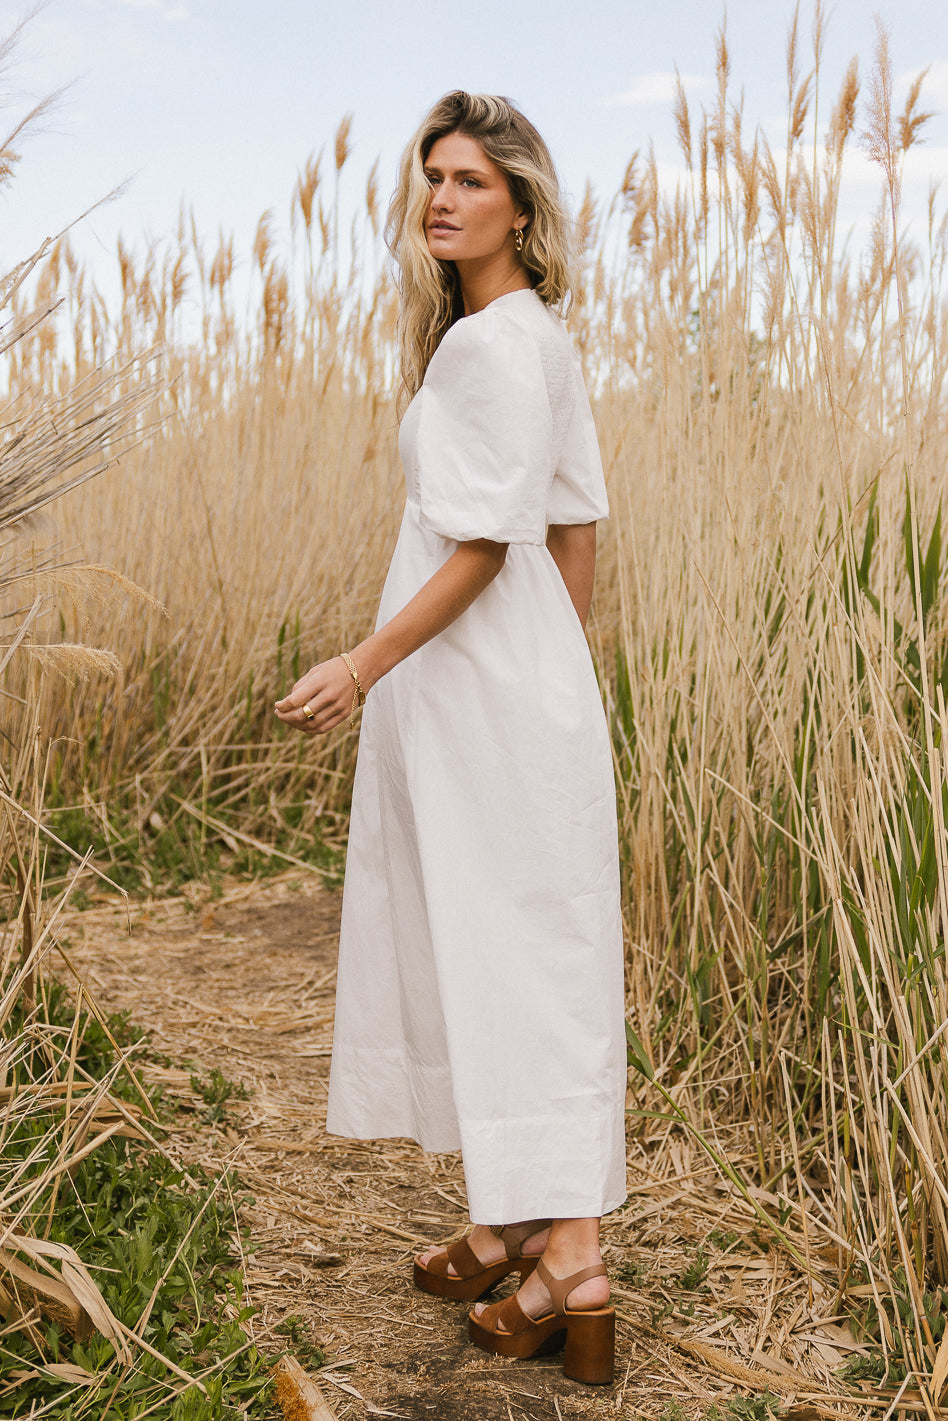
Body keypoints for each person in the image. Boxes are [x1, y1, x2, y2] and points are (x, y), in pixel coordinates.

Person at [275, 90, 627, 1386]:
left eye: (472, 179)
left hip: (474, 689)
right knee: (518, 947)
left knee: (511, 953)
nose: (441, 195)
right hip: (519, 687)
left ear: (520, 208)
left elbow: (488, 544)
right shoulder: (533, 335)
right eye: (432, 174)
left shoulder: (490, 347)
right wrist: (559, 684)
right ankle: (518, 1217)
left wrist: (363, 663)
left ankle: (570, 1249)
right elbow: (576, 529)